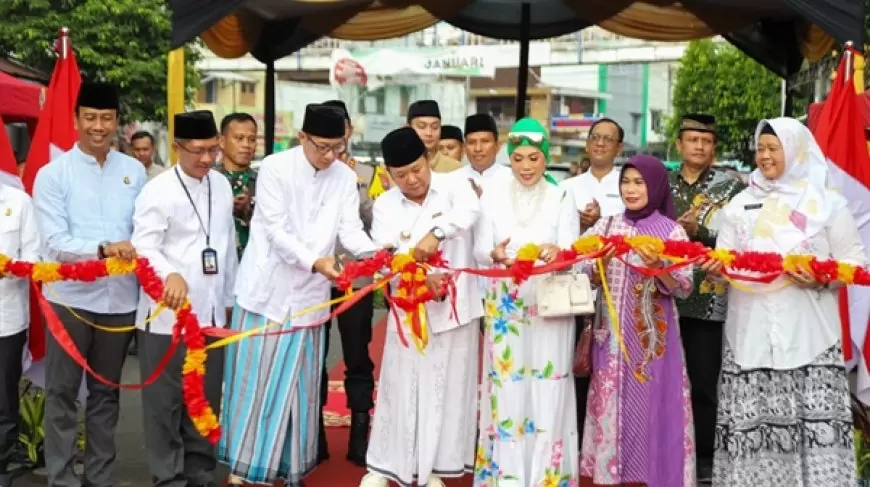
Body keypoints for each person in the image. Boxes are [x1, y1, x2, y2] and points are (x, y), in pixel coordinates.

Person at [219, 104, 378, 487]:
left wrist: (379, 256)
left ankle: (291, 469)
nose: (329, 156)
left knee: (299, 390)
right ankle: (245, 470)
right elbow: (275, 230)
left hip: (309, 298)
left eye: (337, 147)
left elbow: (351, 230)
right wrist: (316, 261)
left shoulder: (344, 175)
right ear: (302, 137)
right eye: (322, 146)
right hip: (266, 293)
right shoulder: (275, 167)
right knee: (254, 384)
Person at [709, 118, 866, 486]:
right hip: (749, 334)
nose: (764, 156)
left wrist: (821, 277)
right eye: (760, 148)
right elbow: (725, 260)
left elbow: (856, 263)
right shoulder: (739, 204)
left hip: (809, 334)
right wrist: (717, 272)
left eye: (773, 148)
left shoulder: (826, 203)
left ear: (794, 150)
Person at [32, 82, 146, 487]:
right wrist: (103, 249)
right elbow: (55, 243)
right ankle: (62, 478)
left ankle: (100, 478)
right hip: (70, 300)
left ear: (117, 123)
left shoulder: (134, 172)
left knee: (105, 395)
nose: (99, 126)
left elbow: (145, 232)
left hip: (119, 302)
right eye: (91, 118)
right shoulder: (53, 174)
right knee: (62, 394)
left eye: (107, 118)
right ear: (77, 120)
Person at [360, 127, 482, 487]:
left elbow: (470, 212)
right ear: (389, 175)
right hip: (408, 312)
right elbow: (383, 256)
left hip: (454, 310)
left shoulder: (456, 186)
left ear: (428, 159)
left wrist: (437, 233)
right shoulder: (384, 204)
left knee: (447, 390)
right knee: (402, 387)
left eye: (417, 169)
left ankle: (434, 469)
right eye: (401, 175)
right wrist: (417, 273)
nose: (412, 180)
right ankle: (385, 467)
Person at [131, 110, 237, 487]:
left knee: (205, 400)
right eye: (197, 151)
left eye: (212, 150)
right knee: (165, 404)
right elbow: (144, 245)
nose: (207, 159)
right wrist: (169, 272)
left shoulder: (221, 186)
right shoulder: (157, 191)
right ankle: (167, 477)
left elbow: (226, 248)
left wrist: (228, 298)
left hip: (211, 316)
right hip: (166, 318)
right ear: (176, 148)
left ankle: (200, 473)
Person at [472, 117, 580, 486]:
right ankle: (507, 478)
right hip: (506, 303)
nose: (526, 167)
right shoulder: (493, 195)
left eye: (533, 158)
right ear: (509, 158)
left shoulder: (562, 195)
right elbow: (478, 249)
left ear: (545, 156)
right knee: (508, 383)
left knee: (548, 383)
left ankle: (547, 478)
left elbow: (574, 252)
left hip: (551, 301)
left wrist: (559, 251)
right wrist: (494, 254)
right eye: (518, 159)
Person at [579, 155, 696, 487]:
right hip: (613, 340)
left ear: (656, 186)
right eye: (626, 182)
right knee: (614, 406)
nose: (631, 190)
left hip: (652, 343)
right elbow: (584, 274)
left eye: (639, 182)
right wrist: (595, 264)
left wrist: (659, 264)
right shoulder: (607, 225)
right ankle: (611, 474)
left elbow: (683, 286)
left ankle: (650, 473)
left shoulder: (672, 231)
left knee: (652, 405)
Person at [668, 113, 745, 482]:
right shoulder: (661, 184)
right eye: (692, 139)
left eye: (706, 141)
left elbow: (742, 239)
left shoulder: (731, 189)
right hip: (662, 299)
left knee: (703, 383)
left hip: (708, 301)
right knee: (664, 379)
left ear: (714, 147)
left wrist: (702, 233)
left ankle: (703, 459)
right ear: (679, 143)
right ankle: (665, 450)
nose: (699, 146)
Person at [316, 99, 378, 466]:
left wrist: (358, 187)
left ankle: (359, 434)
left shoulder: (368, 174)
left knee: (357, 356)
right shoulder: (307, 170)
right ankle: (314, 436)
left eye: (340, 132)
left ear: (349, 132)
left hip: (357, 277)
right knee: (314, 356)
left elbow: (376, 221)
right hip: (317, 279)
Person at [560, 118, 627, 448]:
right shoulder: (568, 188)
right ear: (587, 144)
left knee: (613, 362)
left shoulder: (627, 185)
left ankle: (611, 434)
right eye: (595, 137)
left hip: (618, 288)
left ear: (619, 147)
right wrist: (579, 223)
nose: (600, 143)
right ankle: (576, 430)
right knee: (578, 358)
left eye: (608, 139)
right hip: (578, 286)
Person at [0, 182, 40, 487]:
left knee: (3, 397)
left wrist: (8, 267)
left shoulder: (19, 201)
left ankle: (2, 464)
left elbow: (33, 260)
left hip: (6, 319)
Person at [216, 113, 258, 259]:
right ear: (221, 141)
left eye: (252, 139)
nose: (246, 145)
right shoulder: (208, 180)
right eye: (239, 139)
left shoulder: (264, 182)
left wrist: (247, 212)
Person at [455, 114, 510, 199]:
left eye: (485, 141)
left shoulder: (512, 179)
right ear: (465, 147)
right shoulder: (453, 179)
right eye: (472, 142)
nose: (478, 149)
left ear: (497, 146)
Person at [407, 100, 462, 173]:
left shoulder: (456, 169)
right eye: (422, 126)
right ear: (408, 128)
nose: (429, 133)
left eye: (435, 127)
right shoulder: (395, 168)